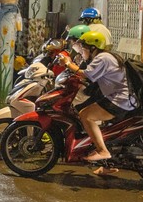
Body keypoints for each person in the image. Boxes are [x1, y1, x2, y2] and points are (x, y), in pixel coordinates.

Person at [58, 31, 135, 163]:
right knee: (92, 116)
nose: (82, 51)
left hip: (120, 100)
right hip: (119, 97)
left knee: (85, 115)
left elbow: (86, 74)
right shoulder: (106, 57)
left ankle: (102, 151)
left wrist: (67, 63)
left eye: (83, 48)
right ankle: (107, 165)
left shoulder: (103, 58)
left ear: (92, 47)